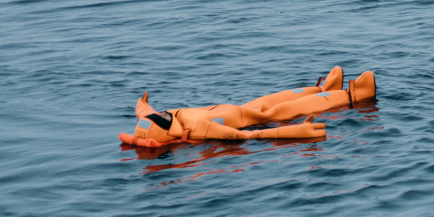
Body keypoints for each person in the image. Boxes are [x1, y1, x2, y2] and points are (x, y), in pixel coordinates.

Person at [120, 67, 376, 146]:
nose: (164, 115)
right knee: (282, 110)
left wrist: (142, 103)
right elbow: (247, 135)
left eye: (159, 115)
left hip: (240, 107)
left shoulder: (156, 118)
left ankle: (323, 89)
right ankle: (353, 95)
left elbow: (142, 111)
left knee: (276, 96)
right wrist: (293, 132)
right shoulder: (198, 128)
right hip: (251, 118)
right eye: (161, 119)